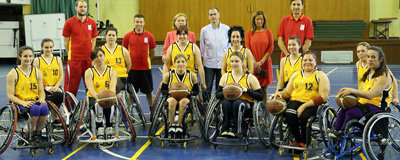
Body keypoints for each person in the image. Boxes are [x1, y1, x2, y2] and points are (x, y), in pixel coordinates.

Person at [271, 51, 330, 148]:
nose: (307, 62)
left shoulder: (320, 75)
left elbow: (323, 97)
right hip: (296, 100)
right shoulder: (296, 74)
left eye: (310, 60)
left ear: (315, 62)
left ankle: (305, 141)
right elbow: (287, 93)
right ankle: (297, 139)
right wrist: (277, 93)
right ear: (302, 62)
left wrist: (304, 106)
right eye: (305, 60)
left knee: (304, 117)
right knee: (289, 114)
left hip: (312, 103)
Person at [334, 46, 397, 132]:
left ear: (380, 59)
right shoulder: (368, 73)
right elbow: (360, 91)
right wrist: (346, 94)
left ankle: (342, 133)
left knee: (351, 112)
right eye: (368, 57)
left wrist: (351, 90)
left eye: (373, 57)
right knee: (343, 110)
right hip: (364, 104)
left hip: (377, 107)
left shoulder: (384, 76)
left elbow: (371, 95)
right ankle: (335, 131)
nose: (370, 59)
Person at [216, 51, 263, 137]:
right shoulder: (225, 77)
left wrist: (247, 90)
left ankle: (237, 130)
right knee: (224, 103)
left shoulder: (250, 78)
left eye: (237, 61)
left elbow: (260, 96)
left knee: (238, 103)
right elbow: (217, 95)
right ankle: (224, 129)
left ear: (242, 62)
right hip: (229, 102)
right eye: (232, 61)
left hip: (246, 104)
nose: (234, 64)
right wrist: (226, 92)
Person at [6, 46, 48, 142]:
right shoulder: (13, 74)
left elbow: (41, 91)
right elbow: (10, 96)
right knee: (36, 108)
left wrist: (42, 98)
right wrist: (23, 103)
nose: (28, 59)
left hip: (33, 101)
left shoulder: (37, 72)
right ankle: (30, 132)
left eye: (30, 56)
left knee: (44, 107)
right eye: (25, 56)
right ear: (19, 57)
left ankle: (38, 133)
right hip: (20, 103)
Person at [62, 0, 98, 97]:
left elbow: (94, 41)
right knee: (71, 87)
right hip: (74, 60)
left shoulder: (92, 23)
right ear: (76, 8)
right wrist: (72, 53)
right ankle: (68, 110)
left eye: (85, 7)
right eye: (81, 7)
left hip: (88, 60)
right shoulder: (69, 23)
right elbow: (66, 43)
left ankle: (91, 109)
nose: (83, 9)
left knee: (91, 86)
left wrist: (91, 55)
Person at [122, 14, 156, 111]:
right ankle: (129, 111)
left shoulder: (149, 36)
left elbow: (152, 52)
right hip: (132, 70)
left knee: (149, 92)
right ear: (134, 23)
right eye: (137, 22)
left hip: (145, 69)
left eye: (141, 22)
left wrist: (146, 60)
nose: (139, 24)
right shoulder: (127, 36)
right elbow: (124, 52)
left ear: (144, 23)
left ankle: (152, 110)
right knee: (131, 93)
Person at [160, 54, 199, 137]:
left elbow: (196, 91)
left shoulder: (192, 75)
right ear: (174, 64)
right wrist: (170, 91)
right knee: (172, 101)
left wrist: (190, 92)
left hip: (186, 98)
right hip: (172, 97)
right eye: (178, 62)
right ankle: (171, 124)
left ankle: (179, 124)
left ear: (186, 63)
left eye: (182, 62)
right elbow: (163, 90)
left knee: (183, 102)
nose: (180, 64)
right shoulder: (169, 75)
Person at [84, 47, 117, 140]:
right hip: (94, 98)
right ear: (93, 59)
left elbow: (112, 89)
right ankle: (100, 128)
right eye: (96, 56)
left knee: (112, 104)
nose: (99, 58)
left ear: (104, 56)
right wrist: (99, 98)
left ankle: (109, 128)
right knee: (98, 105)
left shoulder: (111, 71)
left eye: (101, 55)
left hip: (108, 96)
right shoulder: (89, 72)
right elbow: (90, 89)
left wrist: (107, 97)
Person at [163, 26, 206, 90]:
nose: (182, 36)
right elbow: (166, 65)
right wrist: (164, 80)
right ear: (177, 36)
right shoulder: (171, 47)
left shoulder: (194, 47)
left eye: (184, 34)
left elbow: (199, 66)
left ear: (187, 35)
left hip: (189, 76)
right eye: (179, 34)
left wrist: (203, 82)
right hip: (174, 75)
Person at [200, 7, 230, 98]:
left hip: (222, 64)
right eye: (211, 15)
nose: (213, 16)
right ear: (208, 17)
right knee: (207, 87)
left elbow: (229, 45)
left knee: (219, 88)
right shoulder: (204, 30)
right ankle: (206, 107)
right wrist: (203, 59)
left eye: (215, 14)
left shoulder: (226, 29)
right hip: (209, 64)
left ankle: (217, 109)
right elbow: (202, 46)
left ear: (219, 15)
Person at [245, 10, 274, 104]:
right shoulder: (249, 33)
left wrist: (261, 62)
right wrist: (254, 63)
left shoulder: (268, 32)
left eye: (261, 19)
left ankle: (264, 111)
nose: (259, 21)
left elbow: (270, 48)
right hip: (252, 63)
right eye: (257, 19)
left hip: (265, 63)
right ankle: (253, 110)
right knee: (253, 87)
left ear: (264, 20)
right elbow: (247, 48)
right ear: (254, 20)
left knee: (264, 88)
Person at [33, 38, 64, 107]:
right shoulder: (37, 60)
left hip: (56, 87)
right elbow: (35, 78)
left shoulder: (58, 59)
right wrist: (46, 88)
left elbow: (61, 76)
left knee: (60, 96)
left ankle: (59, 112)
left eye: (51, 47)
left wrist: (56, 87)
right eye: (46, 47)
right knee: (47, 99)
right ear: (42, 48)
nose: (49, 49)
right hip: (43, 88)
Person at [102, 27, 131, 95]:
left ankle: (114, 99)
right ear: (105, 36)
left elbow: (129, 65)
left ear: (116, 37)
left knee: (115, 82)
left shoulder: (123, 50)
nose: (111, 37)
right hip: (105, 79)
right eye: (109, 35)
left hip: (120, 78)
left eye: (113, 35)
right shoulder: (101, 51)